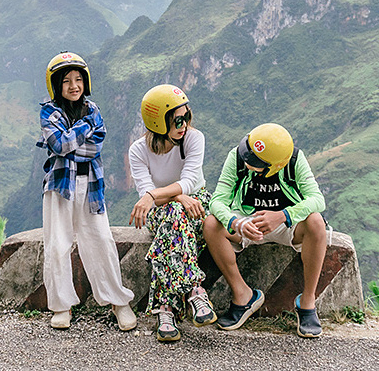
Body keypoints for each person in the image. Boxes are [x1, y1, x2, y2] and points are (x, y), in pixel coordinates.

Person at [37, 52, 136, 331]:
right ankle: (61, 306)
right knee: (57, 244)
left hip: (90, 186)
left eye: (78, 79)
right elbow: (58, 145)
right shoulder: (49, 111)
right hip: (60, 186)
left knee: (101, 240)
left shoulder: (93, 109)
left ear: (86, 82)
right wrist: (83, 129)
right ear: (56, 85)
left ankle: (118, 301)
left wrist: (70, 140)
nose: (73, 86)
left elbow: (95, 146)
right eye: (66, 81)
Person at [204, 123, 328, 338]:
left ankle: (307, 301)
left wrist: (283, 215)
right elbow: (217, 201)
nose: (246, 161)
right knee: (211, 224)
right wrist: (236, 222)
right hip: (247, 221)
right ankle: (243, 295)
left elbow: (317, 200)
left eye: (255, 162)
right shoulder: (237, 157)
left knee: (316, 222)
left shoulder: (294, 160)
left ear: (276, 165)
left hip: (286, 222)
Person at [128, 84, 216, 342]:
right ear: (157, 122)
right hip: (166, 208)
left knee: (171, 221)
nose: (184, 124)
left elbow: (188, 181)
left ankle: (166, 309)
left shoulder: (194, 139)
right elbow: (150, 191)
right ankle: (194, 291)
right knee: (174, 213)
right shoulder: (138, 150)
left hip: (196, 203)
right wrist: (174, 197)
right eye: (177, 119)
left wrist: (157, 195)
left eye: (186, 116)